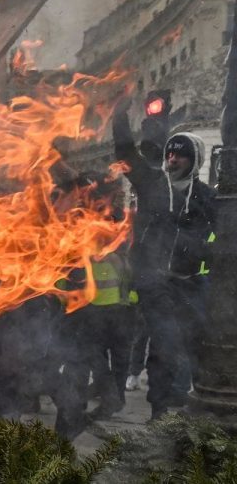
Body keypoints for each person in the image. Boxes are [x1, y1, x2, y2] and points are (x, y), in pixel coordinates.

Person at [113, 105, 215, 419]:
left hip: (189, 284)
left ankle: (196, 404)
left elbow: (219, 239)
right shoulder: (153, 184)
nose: (172, 159)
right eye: (169, 154)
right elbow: (126, 153)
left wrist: (200, 258)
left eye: (180, 155)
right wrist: (119, 113)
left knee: (194, 345)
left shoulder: (206, 197)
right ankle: (159, 410)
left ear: (194, 159)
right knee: (163, 343)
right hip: (154, 282)